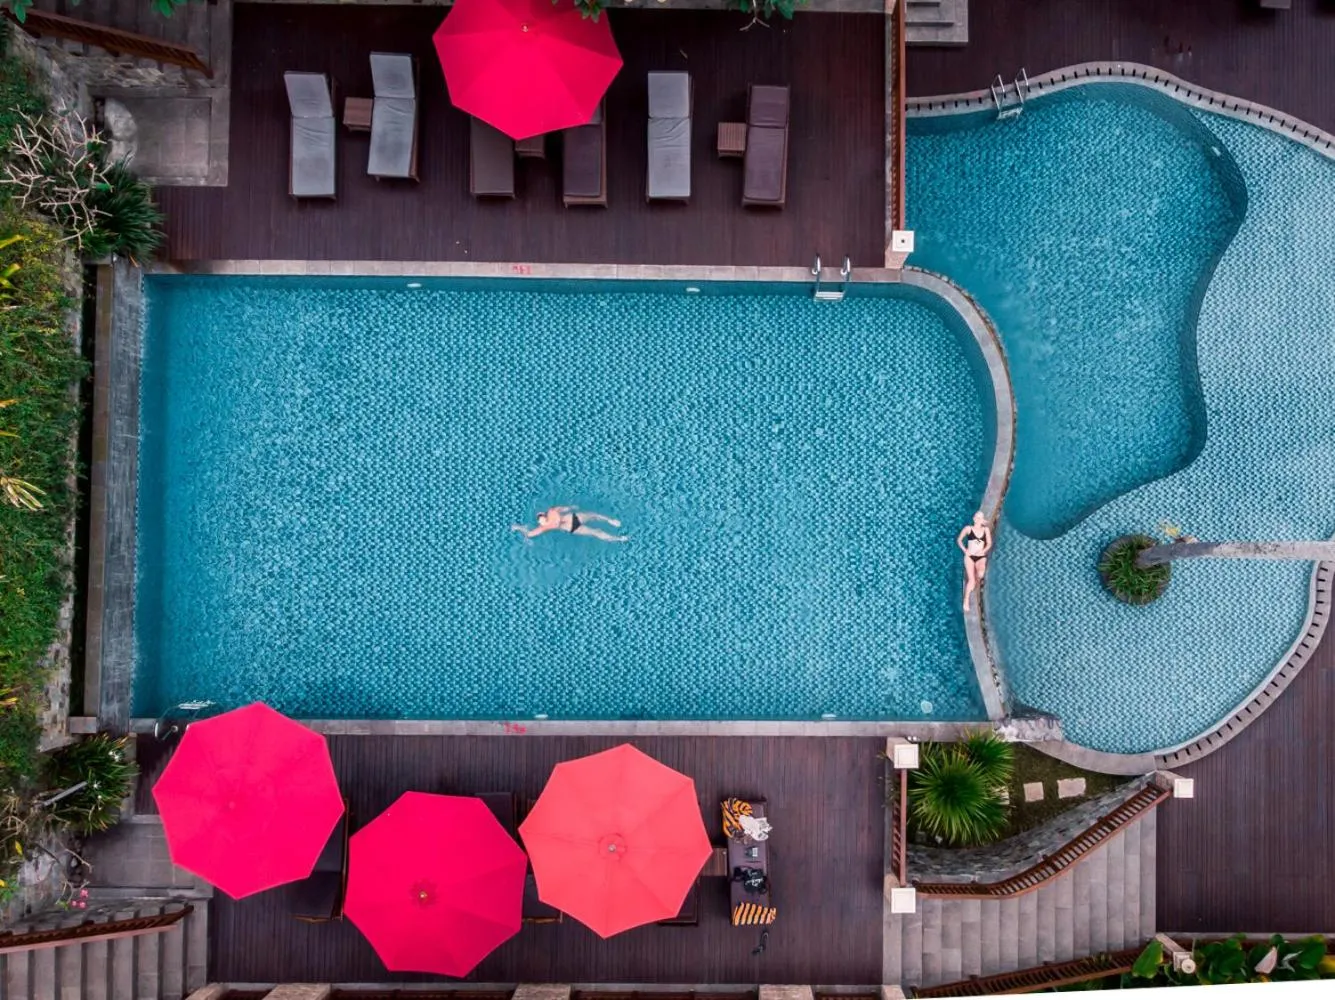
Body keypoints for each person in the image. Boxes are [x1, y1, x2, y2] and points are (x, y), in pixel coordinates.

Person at [511, 505, 628, 543]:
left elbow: (565, 508)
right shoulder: (544, 527)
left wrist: (572, 507)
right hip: (572, 527)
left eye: (540, 516)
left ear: (544, 514)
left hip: (574, 518)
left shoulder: (552, 511)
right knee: (596, 532)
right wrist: (519, 528)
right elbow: (531, 534)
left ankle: (609, 520)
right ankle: (618, 538)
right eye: (539, 518)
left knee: (593, 515)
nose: (540, 518)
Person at [956, 511, 993, 612]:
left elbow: (989, 543)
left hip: (980, 556)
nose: (978, 519)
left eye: (980, 518)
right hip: (970, 556)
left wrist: (983, 550)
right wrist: (965, 550)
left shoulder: (985, 530)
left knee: (981, 574)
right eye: (976, 517)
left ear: (982, 520)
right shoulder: (968, 529)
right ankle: (966, 599)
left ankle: (975, 582)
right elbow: (959, 540)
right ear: (974, 518)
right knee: (971, 580)